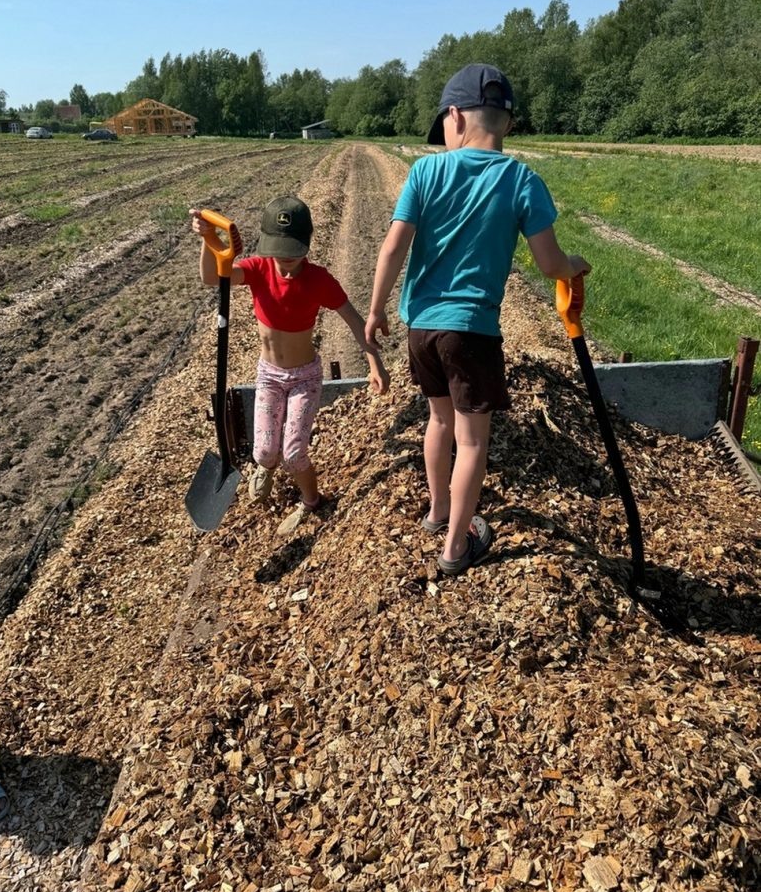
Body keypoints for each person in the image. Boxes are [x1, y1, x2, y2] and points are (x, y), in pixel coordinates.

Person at [366, 63, 591, 576]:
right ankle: (454, 549)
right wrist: (573, 266)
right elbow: (550, 264)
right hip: (471, 329)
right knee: (472, 441)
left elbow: (393, 247)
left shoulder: (424, 172)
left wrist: (376, 310)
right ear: (506, 124)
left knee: (438, 421)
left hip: (420, 327)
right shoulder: (521, 180)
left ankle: (437, 512)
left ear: (454, 117)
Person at [191, 196, 390, 536]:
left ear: (307, 244)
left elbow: (355, 321)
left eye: (293, 251)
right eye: (278, 250)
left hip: (304, 378)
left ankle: (312, 501)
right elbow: (213, 277)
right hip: (268, 375)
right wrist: (208, 241)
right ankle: (264, 467)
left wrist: (375, 363)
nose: (284, 260)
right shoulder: (257, 270)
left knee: (294, 454)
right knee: (264, 451)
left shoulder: (319, 280)